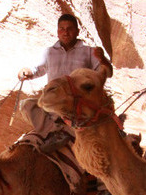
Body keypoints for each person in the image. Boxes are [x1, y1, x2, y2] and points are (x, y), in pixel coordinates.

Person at [18, 13, 113, 150]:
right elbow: (37, 68)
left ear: (77, 32)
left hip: (74, 102)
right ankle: (54, 131)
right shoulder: (49, 52)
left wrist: (103, 60)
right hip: (54, 101)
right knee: (27, 105)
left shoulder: (88, 52)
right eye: (61, 29)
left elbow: (107, 73)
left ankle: (66, 131)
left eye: (70, 29)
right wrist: (27, 72)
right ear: (57, 32)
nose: (65, 32)